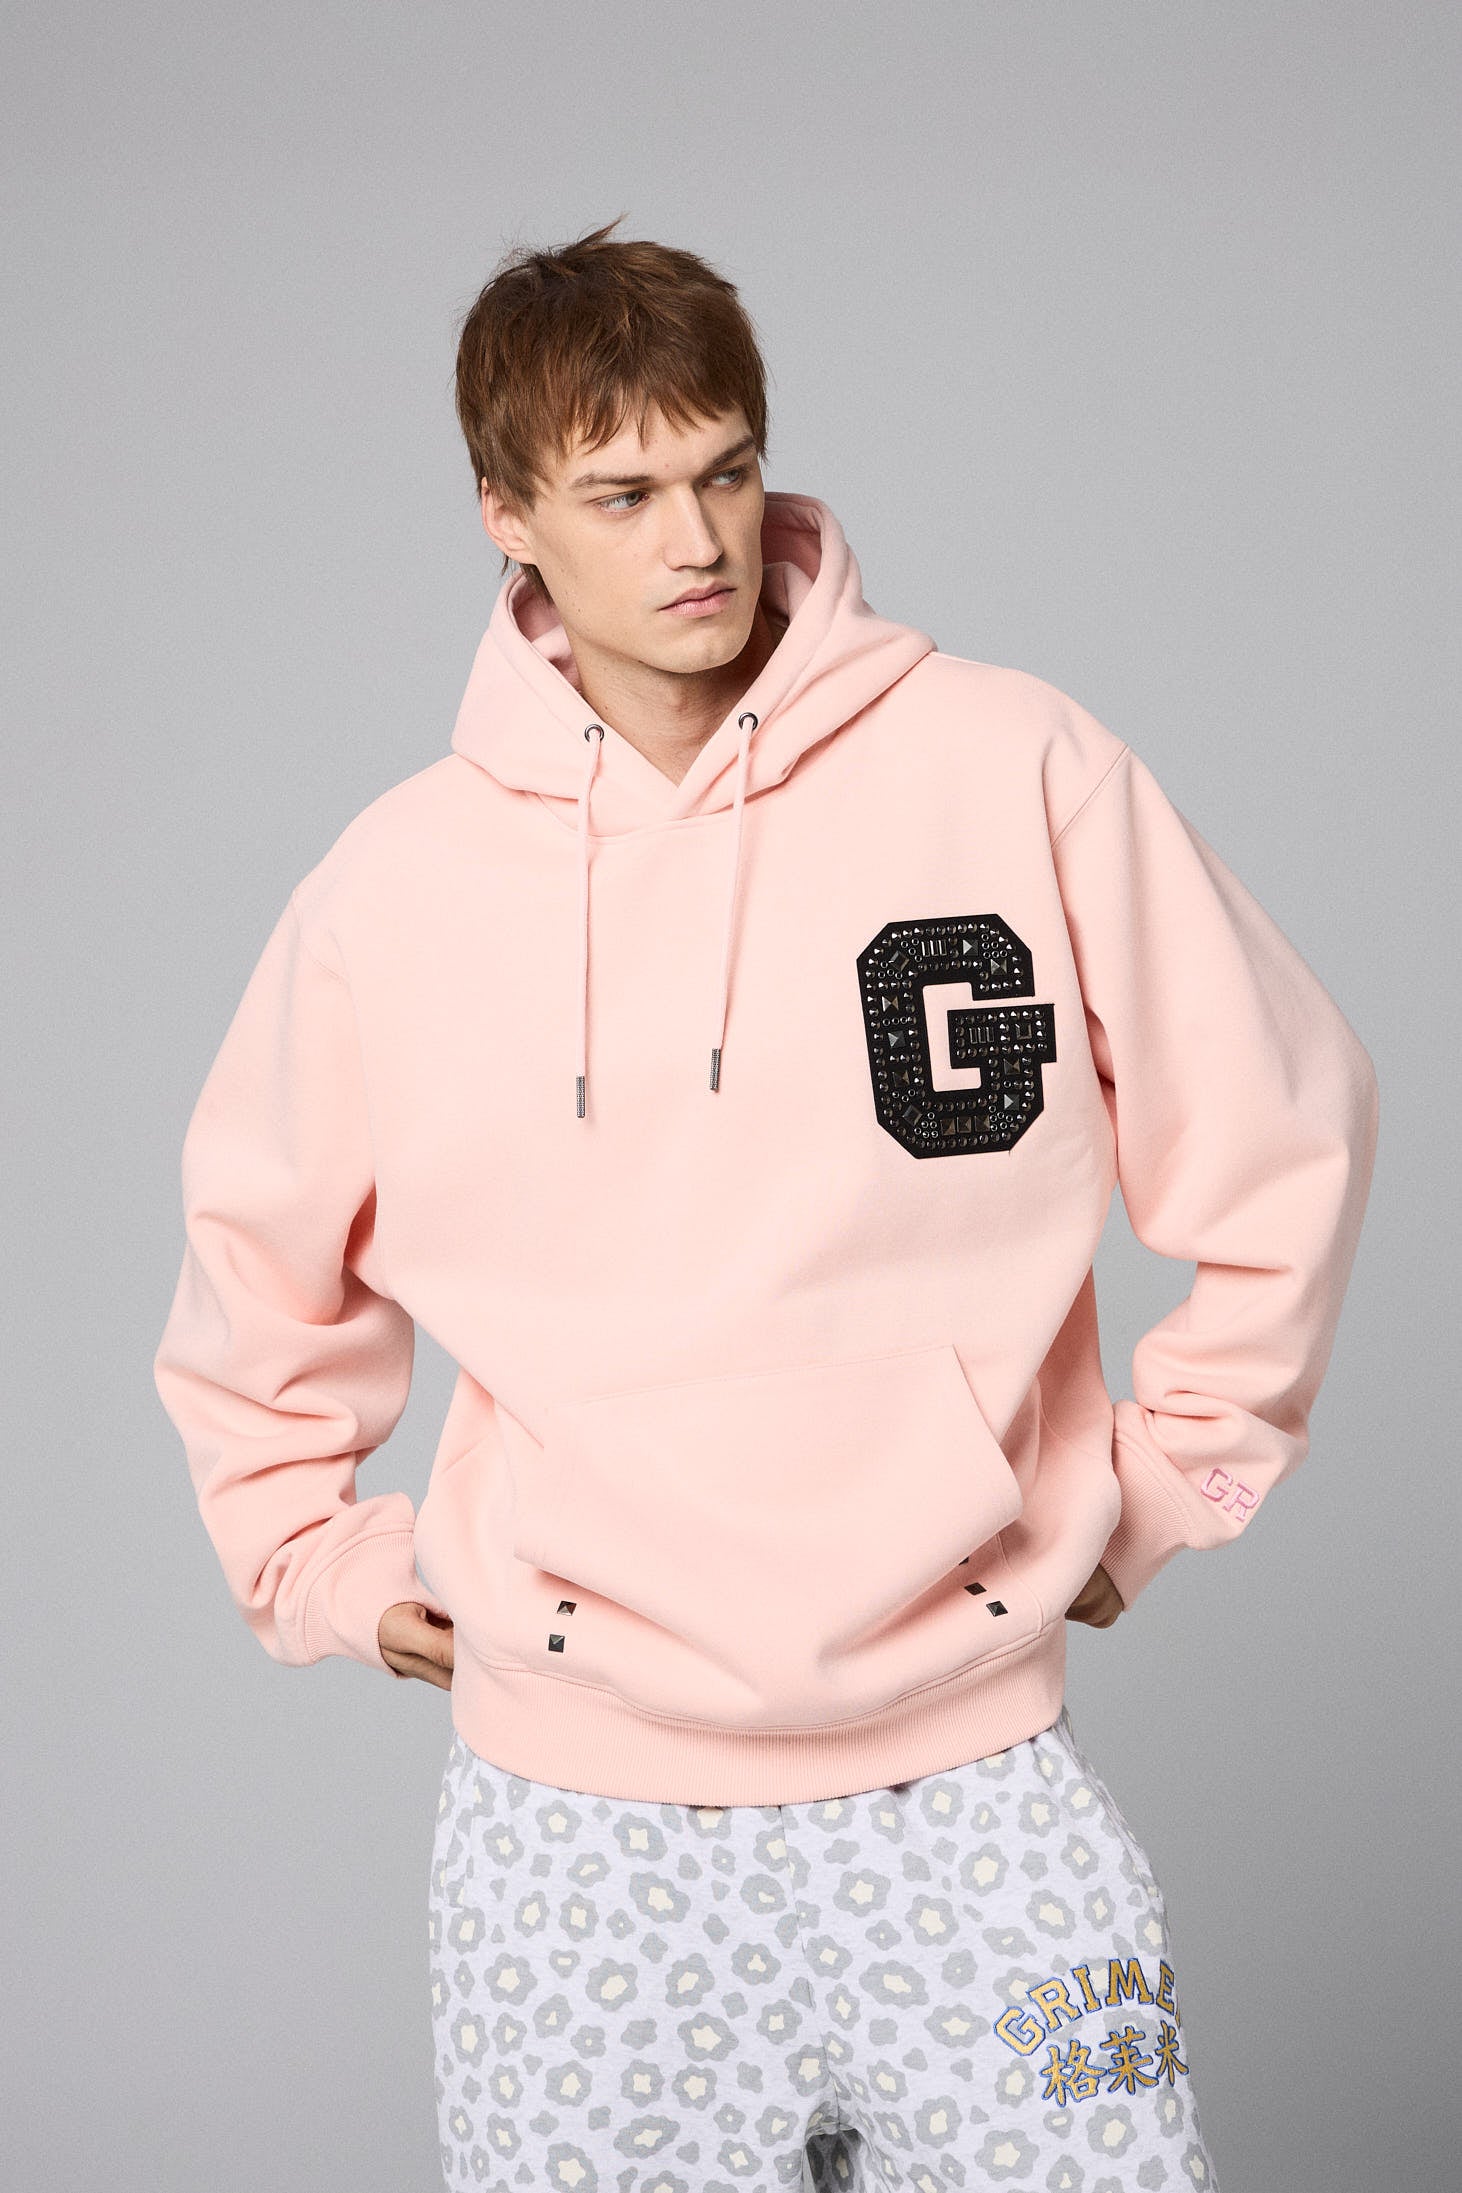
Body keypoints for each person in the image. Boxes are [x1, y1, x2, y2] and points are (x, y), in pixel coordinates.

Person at [152, 217, 1380, 2192]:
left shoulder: (1011, 764)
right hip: (577, 1833)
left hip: (973, 1785)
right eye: (622, 494)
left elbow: (1283, 1130)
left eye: (724, 470)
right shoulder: (394, 889)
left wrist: (1172, 1481)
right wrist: (316, 1563)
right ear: (505, 517)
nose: (696, 539)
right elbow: (252, 1279)